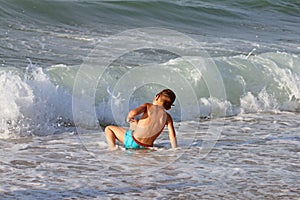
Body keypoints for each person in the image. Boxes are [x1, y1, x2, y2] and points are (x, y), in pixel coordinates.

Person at [104, 89, 177, 150]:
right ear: (168, 107)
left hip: (133, 141)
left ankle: (112, 148)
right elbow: (172, 136)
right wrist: (175, 149)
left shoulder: (148, 106)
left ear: (157, 97)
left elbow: (133, 113)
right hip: (147, 147)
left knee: (108, 129)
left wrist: (128, 118)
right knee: (134, 124)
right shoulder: (168, 117)